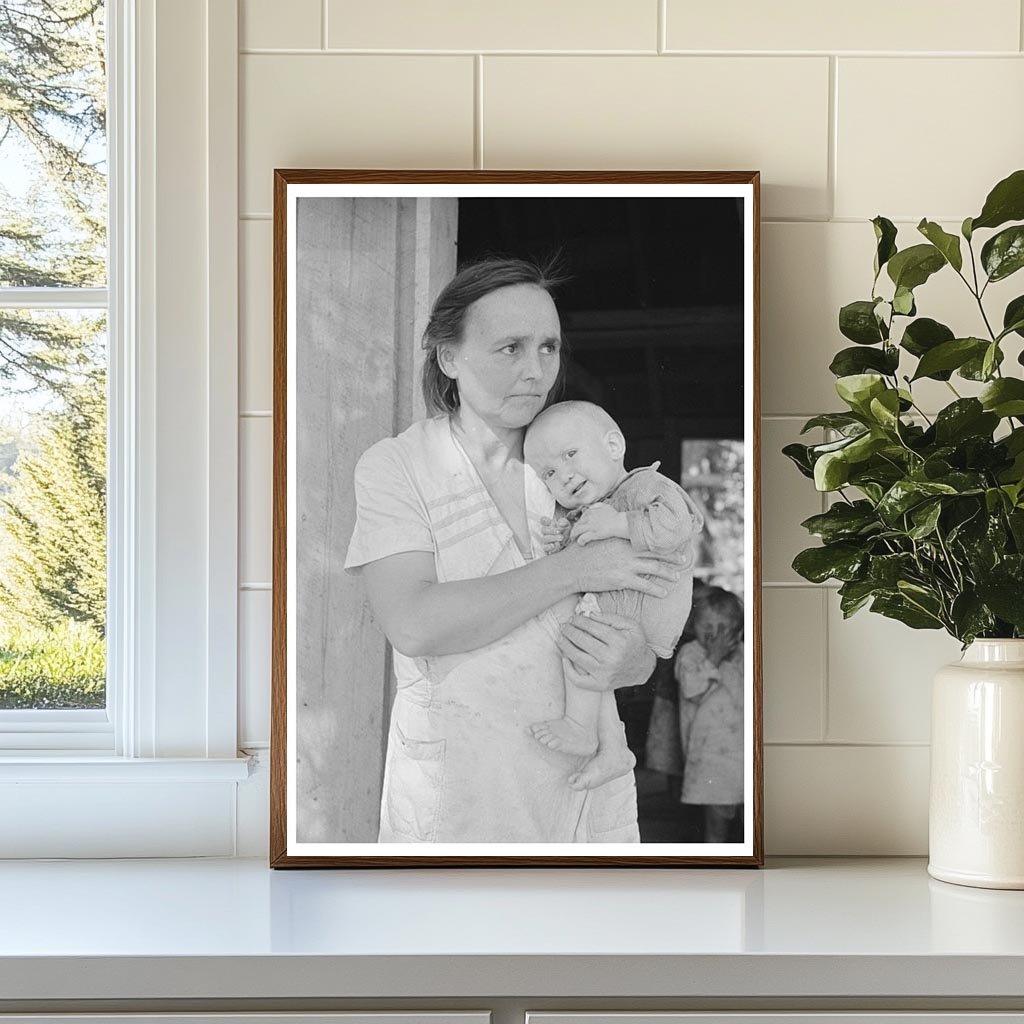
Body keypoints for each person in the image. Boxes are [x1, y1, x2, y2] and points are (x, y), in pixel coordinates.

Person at [343, 257, 685, 843]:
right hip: (461, 784)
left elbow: (646, 589)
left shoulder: (574, 463)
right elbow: (415, 624)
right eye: (511, 348)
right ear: (448, 356)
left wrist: (639, 661)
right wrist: (573, 567)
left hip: (584, 785)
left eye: (548, 348)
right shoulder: (398, 466)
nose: (535, 370)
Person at [522, 400, 703, 790]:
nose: (565, 475)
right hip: (626, 606)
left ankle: (580, 728)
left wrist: (620, 522)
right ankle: (613, 747)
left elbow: (680, 525)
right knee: (588, 655)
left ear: (614, 446)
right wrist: (563, 540)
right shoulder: (595, 508)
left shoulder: (645, 486)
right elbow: (586, 557)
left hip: (647, 604)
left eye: (571, 454)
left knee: (581, 641)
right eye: (549, 473)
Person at [675, 586, 745, 843]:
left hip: (742, 753)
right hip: (710, 757)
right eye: (706, 626)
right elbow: (692, 690)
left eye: (722, 627)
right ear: (694, 626)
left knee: (746, 819)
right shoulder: (690, 654)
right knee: (717, 822)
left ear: (736, 631)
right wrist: (714, 658)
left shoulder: (743, 655)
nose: (713, 635)